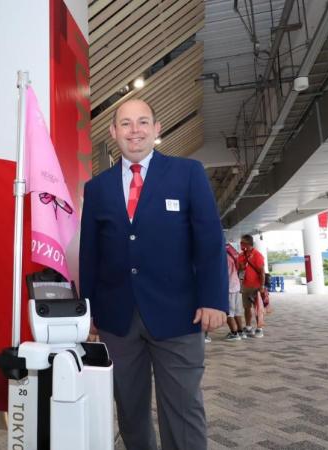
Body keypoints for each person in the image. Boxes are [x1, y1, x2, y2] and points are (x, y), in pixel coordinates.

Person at [80, 99, 228, 450]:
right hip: (117, 319)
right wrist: (88, 312)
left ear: (157, 129)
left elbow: (208, 241)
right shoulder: (97, 188)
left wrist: (214, 300)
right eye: (126, 124)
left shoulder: (188, 173)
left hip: (179, 314)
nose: (135, 131)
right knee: (129, 411)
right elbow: (91, 255)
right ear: (114, 132)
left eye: (143, 122)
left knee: (182, 408)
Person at [237, 234, 265, 338]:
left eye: (242, 243)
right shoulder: (240, 256)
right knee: (246, 307)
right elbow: (239, 270)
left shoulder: (257, 255)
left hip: (256, 286)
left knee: (257, 308)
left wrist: (262, 286)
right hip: (245, 285)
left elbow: (262, 272)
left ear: (248, 244)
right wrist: (241, 268)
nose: (240, 244)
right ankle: (248, 327)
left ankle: (259, 328)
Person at [225, 241, 245, 341]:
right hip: (236, 285)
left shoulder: (223, 257)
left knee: (228, 312)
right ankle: (241, 332)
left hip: (229, 287)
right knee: (237, 311)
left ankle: (234, 333)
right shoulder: (234, 257)